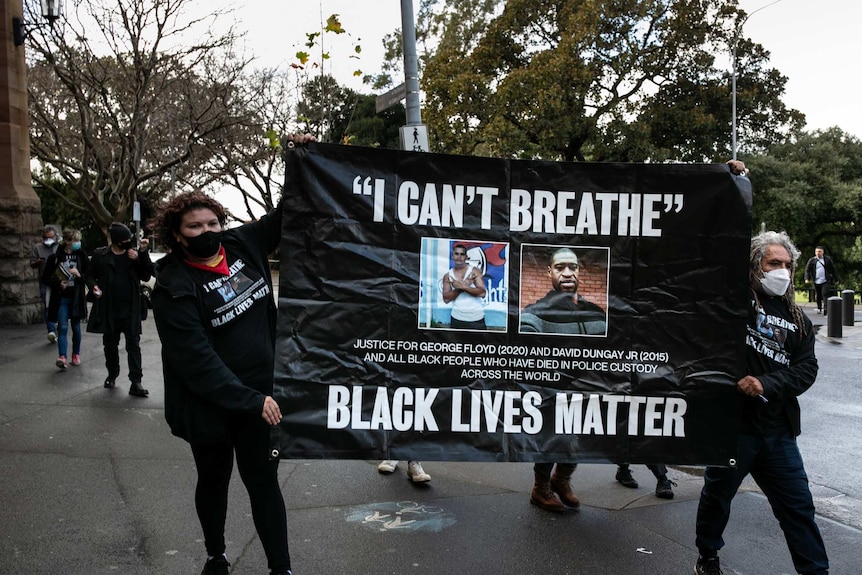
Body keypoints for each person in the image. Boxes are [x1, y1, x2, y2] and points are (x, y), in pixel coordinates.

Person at [150, 134, 314, 575]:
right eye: (195, 228)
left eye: (212, 223)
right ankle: (216, 554)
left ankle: (282, 568)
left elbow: (290, 212)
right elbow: (195, 360)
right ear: (177, 237)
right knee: (214, 481)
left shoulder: (244, 244)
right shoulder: (172, 286)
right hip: (211, 406)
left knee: (264, 485)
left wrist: (298, 158)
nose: (207, 232)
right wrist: (249, 399)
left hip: (263, 402)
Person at [693, 230, 829, 575]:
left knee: (799, 508)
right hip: (734, 429)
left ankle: (816, 571)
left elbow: (806, 369)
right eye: (774, 263)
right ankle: (708, 554)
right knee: (717, 498)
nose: (781, 270)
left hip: (779, 433)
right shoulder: (730, 302)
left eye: (787, 264)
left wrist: (765, 382)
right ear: (755, 266)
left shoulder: (798, 319)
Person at [85, 222, 154, 397]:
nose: (128, 242)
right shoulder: (100, 255)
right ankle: (112, 374)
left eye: (129, 239)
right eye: (124, 240)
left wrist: (140, 256)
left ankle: (136, 381)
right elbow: (89, 275)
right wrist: (94, 287)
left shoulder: (134, 255)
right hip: (109, 308)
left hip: (131, 308)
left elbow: (147, 274)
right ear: (116, 241)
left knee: (133, 345)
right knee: (110, 345)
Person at [520, 247, 607, 335]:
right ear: (550, 272)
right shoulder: (533, 315)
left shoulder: (597, 313)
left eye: (573, 267)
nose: (567, 274)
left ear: (578, 271)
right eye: (560, 268)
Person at [41, 229, 89, 370]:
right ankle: (62, 356)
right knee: (62, 326)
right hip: (62, 297)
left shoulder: (81, 256)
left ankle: (76, 354)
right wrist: (58, 283)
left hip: (76, 297)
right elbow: (45, 278)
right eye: (74, 240)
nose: (77, 243)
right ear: (67, 242)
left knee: (76, 327)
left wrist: (79, 275)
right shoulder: (55, 258)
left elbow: (89, 276)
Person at [441, 242, 487, 330]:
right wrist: (462, 287)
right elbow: (446, 299)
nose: (459, 257)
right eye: (456, 254)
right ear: (452, 256)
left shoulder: (475, 271)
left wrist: (463, 286)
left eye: (462, 254)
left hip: (477, 318)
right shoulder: (448, 276)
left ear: (466, 257)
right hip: (457, 318)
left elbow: (482, 293)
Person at [30, 224, 60, 342]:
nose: (48, 240)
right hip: (45, 280)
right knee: (47, 304)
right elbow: (32, 263)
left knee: (58, 304)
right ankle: (51, 330)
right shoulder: (38, 248)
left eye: (51, 237)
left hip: (58, 280)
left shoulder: (59, 247)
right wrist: (37, 262)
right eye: (46, 237)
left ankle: (58, 325)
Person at [804, 246, 839, 315]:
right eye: (816, 251)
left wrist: (836, 279)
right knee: (818, 295)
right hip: (816, 280)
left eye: (819, 251)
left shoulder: (827, 259)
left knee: (825, 294)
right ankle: (819, 308)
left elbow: (833, 269)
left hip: (825, 280)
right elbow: (807, 269)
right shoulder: (812, 260)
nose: (818, 253)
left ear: (823, 252)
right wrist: (807, 278)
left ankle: (826, 308)